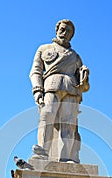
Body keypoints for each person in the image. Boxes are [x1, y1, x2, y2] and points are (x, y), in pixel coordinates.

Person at [29, 19, 89, 163]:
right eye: (62, 29)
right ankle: (42, 152)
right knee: (47, 115)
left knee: (68, 123)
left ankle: (67, 157)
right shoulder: (44, 48)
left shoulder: (75, 56)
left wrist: (85, 79)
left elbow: (85, 87)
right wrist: (37, 89)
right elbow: (35, 71)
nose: (65, 33)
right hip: (51, 86)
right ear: (57, 30)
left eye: (68, 31)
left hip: (71, 89)